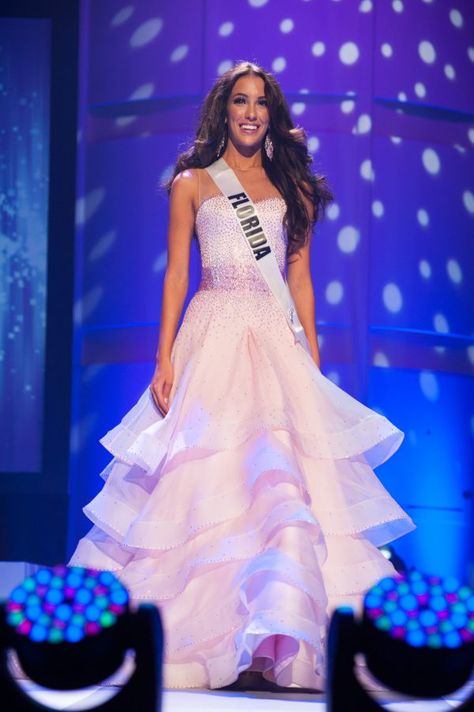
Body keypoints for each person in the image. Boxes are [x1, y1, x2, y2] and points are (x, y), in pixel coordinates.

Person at [69, 61, 415, 692]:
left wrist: (310, 356)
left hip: (273, 342)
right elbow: (176, 273)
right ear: (223, 111)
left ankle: (282, 635)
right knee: (206, 481)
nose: (250, 112)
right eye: (240, 101)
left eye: (260, 103)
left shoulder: (296, 190)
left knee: (281, 481)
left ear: (272, 114)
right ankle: (205, 632)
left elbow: (300, 281)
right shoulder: (193, 183)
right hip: (211, 335)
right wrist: (164, 356)